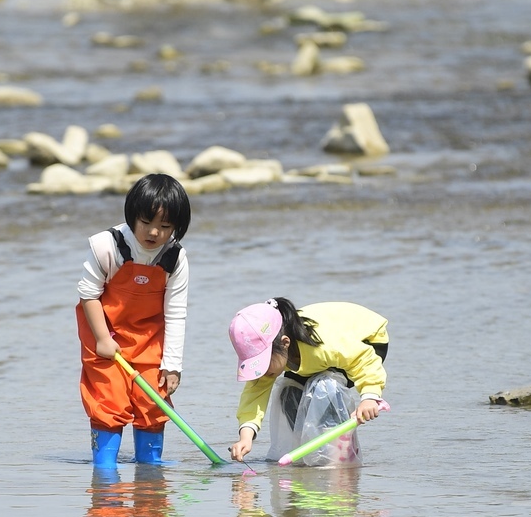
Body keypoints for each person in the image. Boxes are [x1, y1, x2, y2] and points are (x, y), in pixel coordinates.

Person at [76, 173, 191, 466]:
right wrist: (103, 339)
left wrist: (173, 364)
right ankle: (105, 472)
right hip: (104, 335)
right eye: (146, 223)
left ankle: (150, 474)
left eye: (165, 227)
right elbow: (88, 295)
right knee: (108, 402)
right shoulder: (107, 247)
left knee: (153, 402)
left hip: (149, 338)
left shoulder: (175, 258)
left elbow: (176, 312)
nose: (154, 233)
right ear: (132, 217)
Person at [228, 297, 389, 464]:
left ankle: (338, 454)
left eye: (263, 362)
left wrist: (370, 396)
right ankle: (305, 452)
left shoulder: (325, 346)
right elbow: (254, 394)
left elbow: (363, 359)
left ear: (285, 343)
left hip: (367, 341)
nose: (262, 372)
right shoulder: (278, 354)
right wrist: (246, 438)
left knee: (324, 388)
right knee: (289, 393)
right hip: (316, 357)